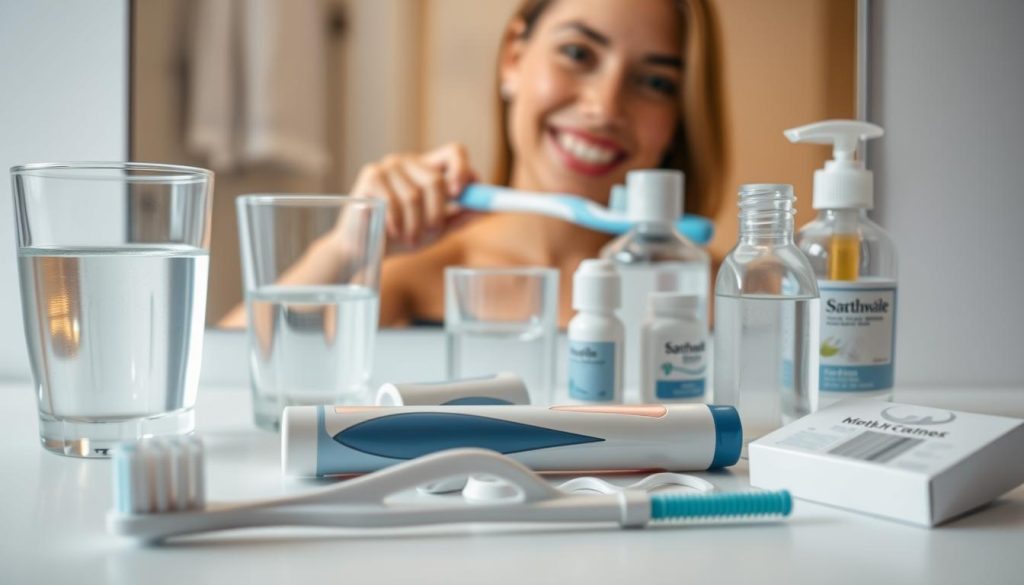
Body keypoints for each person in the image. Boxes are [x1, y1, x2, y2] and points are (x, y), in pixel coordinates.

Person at [221, 0, 723, 329]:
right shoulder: (409, 281)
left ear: (679, 114)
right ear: (513, 60)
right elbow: (221, 380)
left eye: (655, 82)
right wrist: (343, 250)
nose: (605, 107)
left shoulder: (729, 296)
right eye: (577, 53)